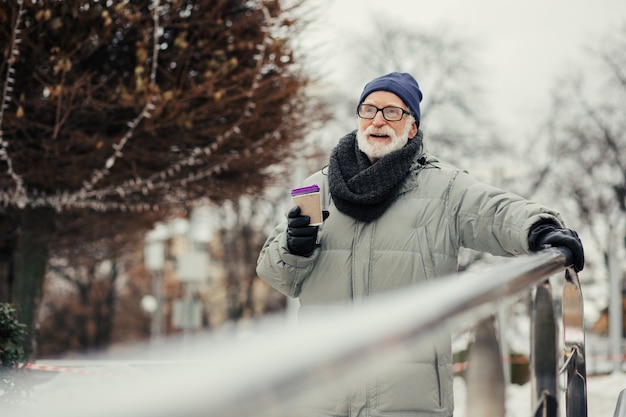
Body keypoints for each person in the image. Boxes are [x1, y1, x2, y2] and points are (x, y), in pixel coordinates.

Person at [256, 72, 584, 417]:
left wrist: (542, 228)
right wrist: (294, 247)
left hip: (407, 400)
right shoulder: (317, 187)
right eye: (368, 110)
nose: (377, 120)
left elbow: (495, 212)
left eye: (391, 112)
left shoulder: (443, 187)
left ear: (411, 127)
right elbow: (274, 273)